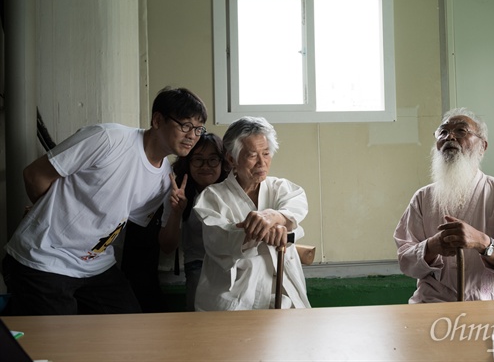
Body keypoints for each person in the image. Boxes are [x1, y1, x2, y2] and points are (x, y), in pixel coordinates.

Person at [2, 87, 207, 315]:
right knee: (57, 345)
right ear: (158, 120)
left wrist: (177, 212)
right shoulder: (109, 138)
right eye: (186, 125)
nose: (192, 135)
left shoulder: (164, 179)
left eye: (198, 129)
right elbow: (34, 175)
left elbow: (127, 225)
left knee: (129, 333)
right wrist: (46, 214)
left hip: (95, 266)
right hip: (44, 258)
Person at [393, 107, 494, 303]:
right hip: (435, 303)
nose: (449, 136)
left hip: (493, 302)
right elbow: (406, 261)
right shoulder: (423, 198)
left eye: (461, 131)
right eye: (443, 132)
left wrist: (483, 243)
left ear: (483, 146)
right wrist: (431, 246)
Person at [193, 116, 311, 311]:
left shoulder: (280, 188)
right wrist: (259, 232)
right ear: (231, 159)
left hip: (282, 294)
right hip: (235, 299)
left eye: (266, 153)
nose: (261, 163)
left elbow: (294, 208)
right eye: (252, 155)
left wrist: (274, 217)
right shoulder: (213, 198)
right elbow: (219, 241)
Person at [158, 133, 230, 311]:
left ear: (223, 162)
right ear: (188, 163)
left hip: (232, 263)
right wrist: (177, 212)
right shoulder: (180, 193)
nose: (205, 166)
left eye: (213, 160)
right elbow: (167, 246)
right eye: (198, 160)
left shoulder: (232, 191)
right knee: (198, 319)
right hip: (198, 263)